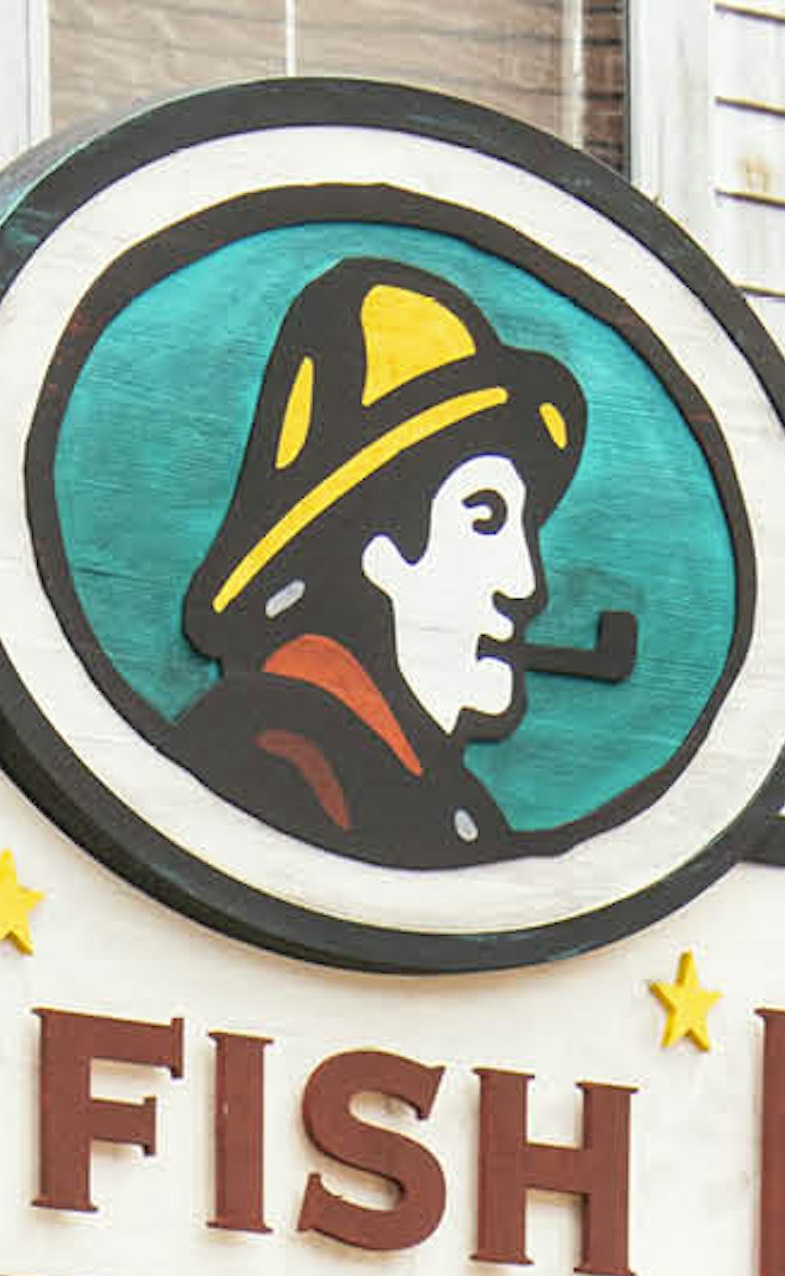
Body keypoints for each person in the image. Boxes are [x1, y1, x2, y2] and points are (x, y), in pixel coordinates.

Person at [165, 263, 584, 863]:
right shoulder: (274, 755)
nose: (527, 585)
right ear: (371, 548)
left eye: (524, 528)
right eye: (484, 519)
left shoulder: (442, 803)